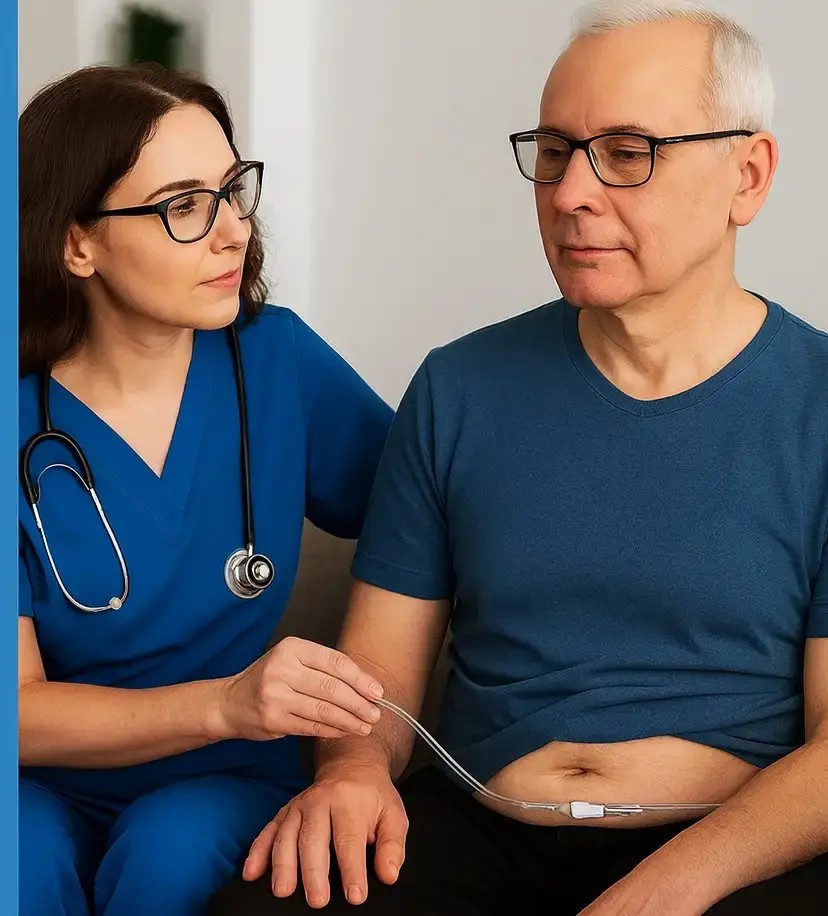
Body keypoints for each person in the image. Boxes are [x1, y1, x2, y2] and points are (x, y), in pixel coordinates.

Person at [208, 1, 828, 914]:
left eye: (626, 152)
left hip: (730, 845)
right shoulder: (460, 388)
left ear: (748, 174)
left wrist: (667, 889)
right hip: (482, 828)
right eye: (552, 151)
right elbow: (378, 671)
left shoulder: (815, 404)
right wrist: (351, 771)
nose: (571, 191)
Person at [17, 64, 394, 916]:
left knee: (170, 856)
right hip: (46, 775)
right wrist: (225, 702)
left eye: (232, 191)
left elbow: (431, 518)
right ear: (77, 243)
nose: (232, 232)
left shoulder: (279, 364)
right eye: (183, 206)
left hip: (226, 774)